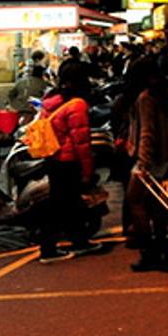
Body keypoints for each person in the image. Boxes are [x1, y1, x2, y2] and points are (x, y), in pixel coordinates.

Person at [33, 62, 103, 263]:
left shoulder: (51, 101)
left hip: (53, 159)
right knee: (61, 205)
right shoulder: (77, 105)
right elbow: (81, 142)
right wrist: (88, 169)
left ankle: (79, 241)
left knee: (69, 204)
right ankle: (48, 249)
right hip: (68, 161)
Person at [125, 57, 168, 272]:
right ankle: (163, 247)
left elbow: (147, 132)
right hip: (165, 156)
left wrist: (143, 162)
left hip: (151, 159)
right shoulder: (163, 95)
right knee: (157, 205)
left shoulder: (145, 98)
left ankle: (148, 251)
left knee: (135, 201)